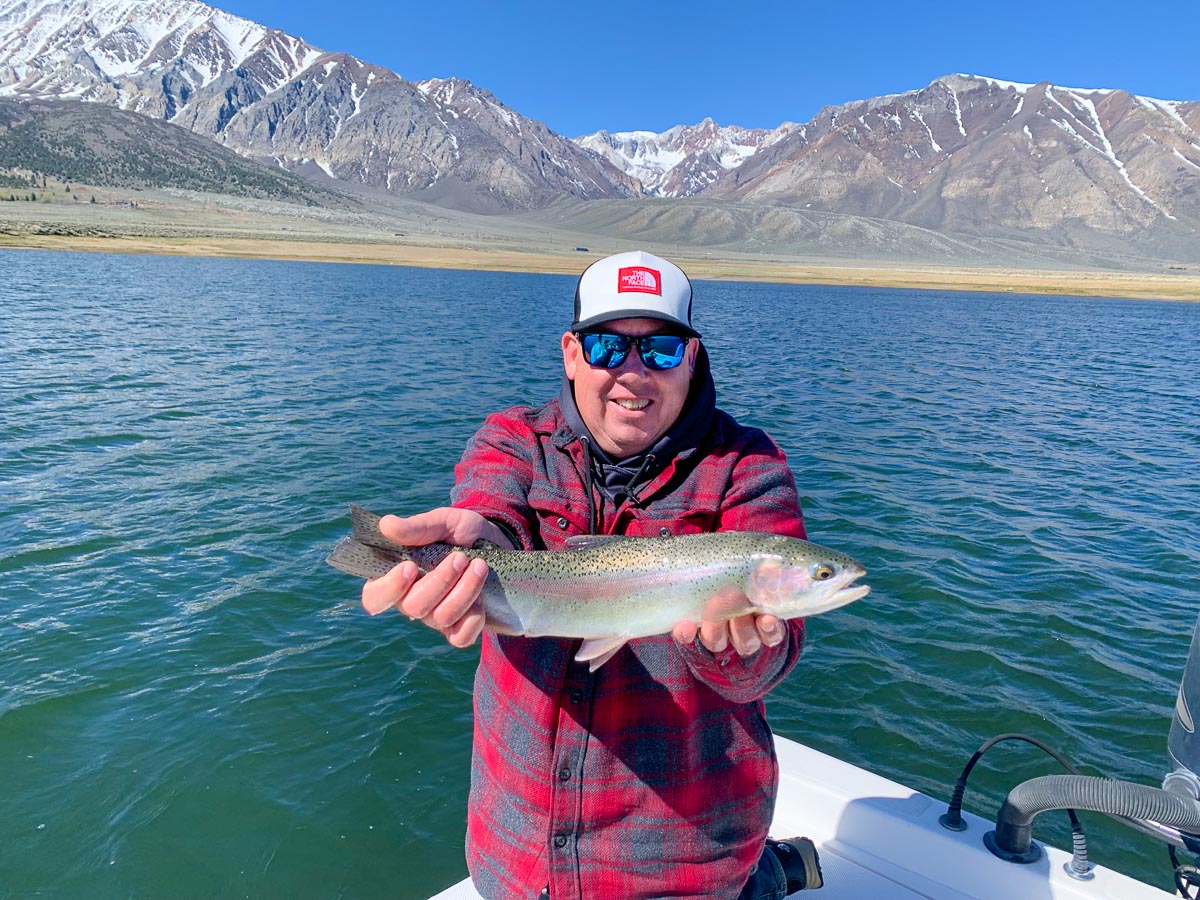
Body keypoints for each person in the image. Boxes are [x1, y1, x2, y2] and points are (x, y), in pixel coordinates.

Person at [362, 250, 820, 899]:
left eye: (660, 350)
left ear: (691, 357)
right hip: (518, 852)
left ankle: (766, 874)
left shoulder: (749, 467)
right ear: (573, 352)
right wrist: (474, 548)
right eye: (609, 347)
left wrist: (746, 647)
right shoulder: (512, 439)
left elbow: (770, 661)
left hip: (684, 861)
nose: (633, 374)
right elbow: (492, 510)